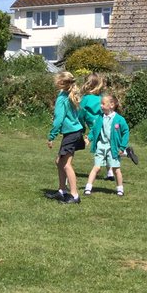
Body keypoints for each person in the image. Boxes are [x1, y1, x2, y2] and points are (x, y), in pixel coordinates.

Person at [46, 71, 86, 204]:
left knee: (67, 165)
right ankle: (62, 190)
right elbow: (80, 115)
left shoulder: (62, 98)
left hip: (71, 134)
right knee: (59, 162)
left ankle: (74, 195)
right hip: (75, 133)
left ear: (61, 83)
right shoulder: (68, 95)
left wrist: (52, 136)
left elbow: (58, 119)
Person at [83, 94, 128, 196]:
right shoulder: (100, 117)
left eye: (103, 104)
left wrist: (122, 147)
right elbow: (94, 129)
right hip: (101, 146)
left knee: (116, 169)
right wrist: (89, 139)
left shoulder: (119, 119)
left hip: (114, 148)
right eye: (101, 104)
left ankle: (120, 188)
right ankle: (88, 187)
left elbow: (125, 132)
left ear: (111, 105)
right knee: (96, 167)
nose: (101, 106)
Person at [79, 73, 114, 180]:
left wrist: (82, 128)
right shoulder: (102, 98)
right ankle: (110, 172)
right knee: (108, 147)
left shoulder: (85, 99)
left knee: (100, 149)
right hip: (106, 125)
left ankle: (125, 153)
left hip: (95, 128)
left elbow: (81, 115)